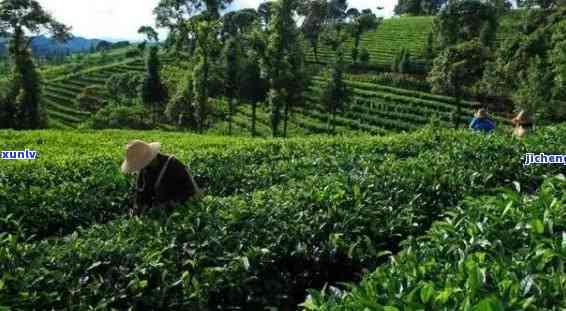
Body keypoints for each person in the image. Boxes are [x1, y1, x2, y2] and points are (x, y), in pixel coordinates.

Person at [121, 140, 202, 215]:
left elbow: (190, 193)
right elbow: (141, 194)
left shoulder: (173, 165)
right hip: (160, 213)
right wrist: (137, 208)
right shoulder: (144, 170)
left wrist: (167, 205)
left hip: (181, 212)